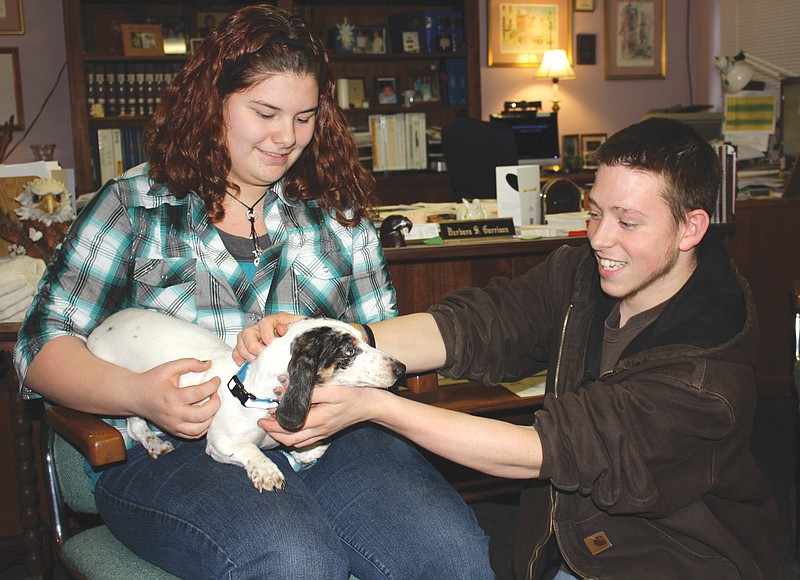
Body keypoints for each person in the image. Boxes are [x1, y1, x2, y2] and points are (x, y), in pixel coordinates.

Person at [13, 5, 492, 579]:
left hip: (330, 432)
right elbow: (40, 347)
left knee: (449, 554)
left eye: (305, 117)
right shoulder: (134, 206)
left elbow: (379, 335)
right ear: (212, 103)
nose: (286, 138)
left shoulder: (336, 216)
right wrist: (139, 394)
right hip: (172, 449)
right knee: (294, 560)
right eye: (265, 112)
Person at [240, 118, 779, 580]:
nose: (598, 238)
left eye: (628, 222)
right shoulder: (582, 275)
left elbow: (542, 452)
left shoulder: (702, 372)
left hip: (671, 561)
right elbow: (479, 325)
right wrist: (338, 339)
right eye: (595, 212)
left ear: (691, 229)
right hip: (568, 542)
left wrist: (377, 404)